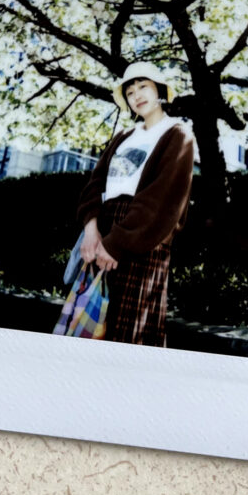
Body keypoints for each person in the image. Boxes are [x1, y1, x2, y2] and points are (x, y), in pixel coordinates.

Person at [76, 62, 195, 346]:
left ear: (159, 90)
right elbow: (95, 185)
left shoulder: (178, 133)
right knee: (91, 328)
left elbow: (162, 199)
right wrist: (92, 230)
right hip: (103, 233)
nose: (136, 95)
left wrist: (116, 243)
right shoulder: (123, 137)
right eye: (129, 92)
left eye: (143, 86)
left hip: (144, 238)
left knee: (128, 333)